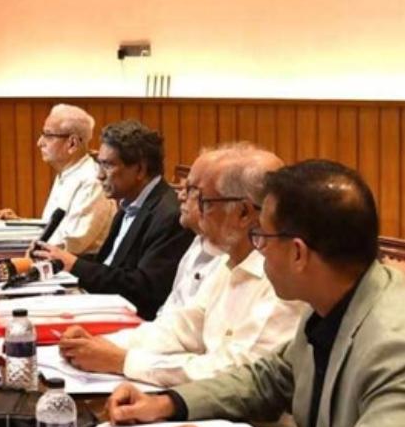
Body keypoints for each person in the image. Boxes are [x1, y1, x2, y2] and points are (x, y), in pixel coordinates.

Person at [106, 160, 405, 427]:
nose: (257, 248)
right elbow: (270, 378)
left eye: (262, 236)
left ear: (298, 253)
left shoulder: (393, 342)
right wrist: (168, 403)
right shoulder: (330, 299)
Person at [58, 145, 304, 387]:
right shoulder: (226, 260)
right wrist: (101, 344)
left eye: (204, 200)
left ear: (243, 213)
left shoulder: (282, 277)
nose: (190, 204)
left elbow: (238, 374)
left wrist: (123, 361)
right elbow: (182, 327)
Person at [35, 119, 194, 320]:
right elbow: (111, 264)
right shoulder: (129, 203)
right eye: (99, 164)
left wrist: (75, 265)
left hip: (135, 320)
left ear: (140, 170)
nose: (99, 175)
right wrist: (60, 259)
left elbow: (145, 289)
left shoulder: (170, 216)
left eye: (107, 165)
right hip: (106, 305)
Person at [0, 104, 116, 255]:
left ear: (72, 143)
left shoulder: (91, 181)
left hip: (76, 267)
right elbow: (56, 230)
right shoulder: (69, 172)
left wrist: (16, 238)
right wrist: (19, 224)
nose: (40, 143)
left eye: (48, 135)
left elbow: (70, 244)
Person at [155, 150, 223, 317]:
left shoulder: (236, 261)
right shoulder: (199, 238)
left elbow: (195, 326)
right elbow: (170, 309)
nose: (180, 196)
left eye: (191, 189)